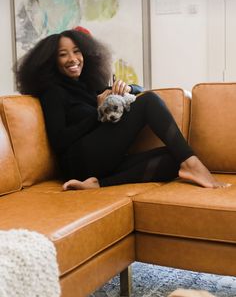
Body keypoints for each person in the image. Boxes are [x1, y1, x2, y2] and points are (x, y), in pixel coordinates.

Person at [14, 28, 231, 191]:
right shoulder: (53, 92)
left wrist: (128, 88)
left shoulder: (89, 87)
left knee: (172, 157)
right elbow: (59, 139)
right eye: (63, 54)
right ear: (52, 61)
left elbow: (139, 91)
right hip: (78, 161)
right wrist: (98, 114)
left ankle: (98, 184)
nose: (72, 59)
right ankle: (194, 165)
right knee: (150, 102)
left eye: (77, 52)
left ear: (86, 55)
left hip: (104, 163)